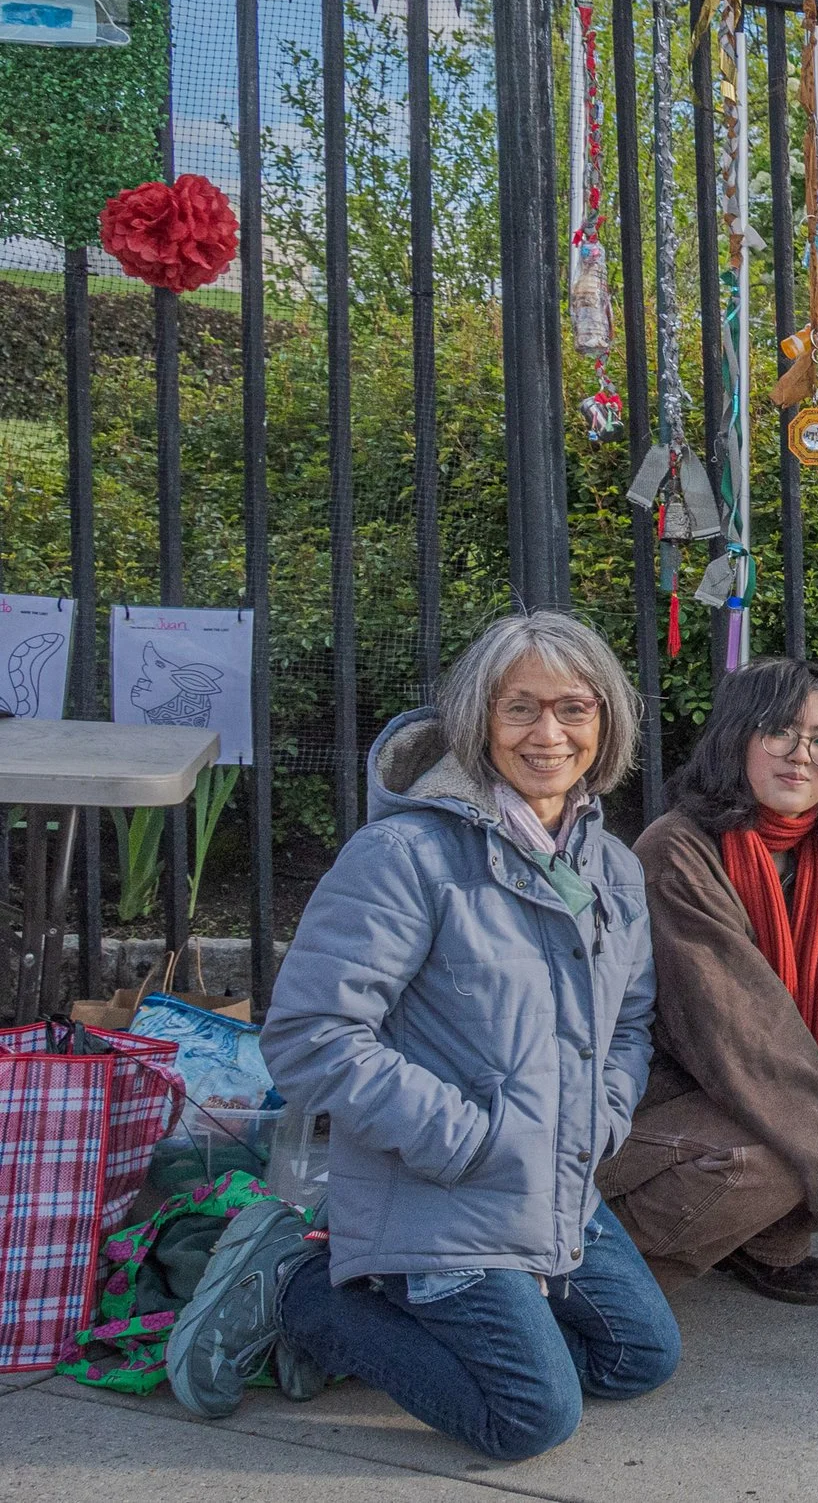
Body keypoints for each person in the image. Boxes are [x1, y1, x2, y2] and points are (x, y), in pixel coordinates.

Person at [165, 611, 678, 1461]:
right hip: (442, 1183)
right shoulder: (407, 855)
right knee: (531, 1419)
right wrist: (464, 1139)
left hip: (553, 1186)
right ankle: (296, 1288)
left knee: (637, 1358)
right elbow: (308, 1035)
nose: (548, 733)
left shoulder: (609, 865)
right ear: (479, 718)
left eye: (573, 708)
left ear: (606, 721)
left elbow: (627, 1019)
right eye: (521, 708)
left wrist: (609, 1116)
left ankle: (374, 1297)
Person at [599, 659, 818, 1303]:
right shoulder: (676, 850)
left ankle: (762, 1245)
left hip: (746, 1080)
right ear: (737, 737)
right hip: (649, 1096)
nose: (803, 755)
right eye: (780, 731)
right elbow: (741, 1031)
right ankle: (611, 1262)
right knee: (780, 1152)